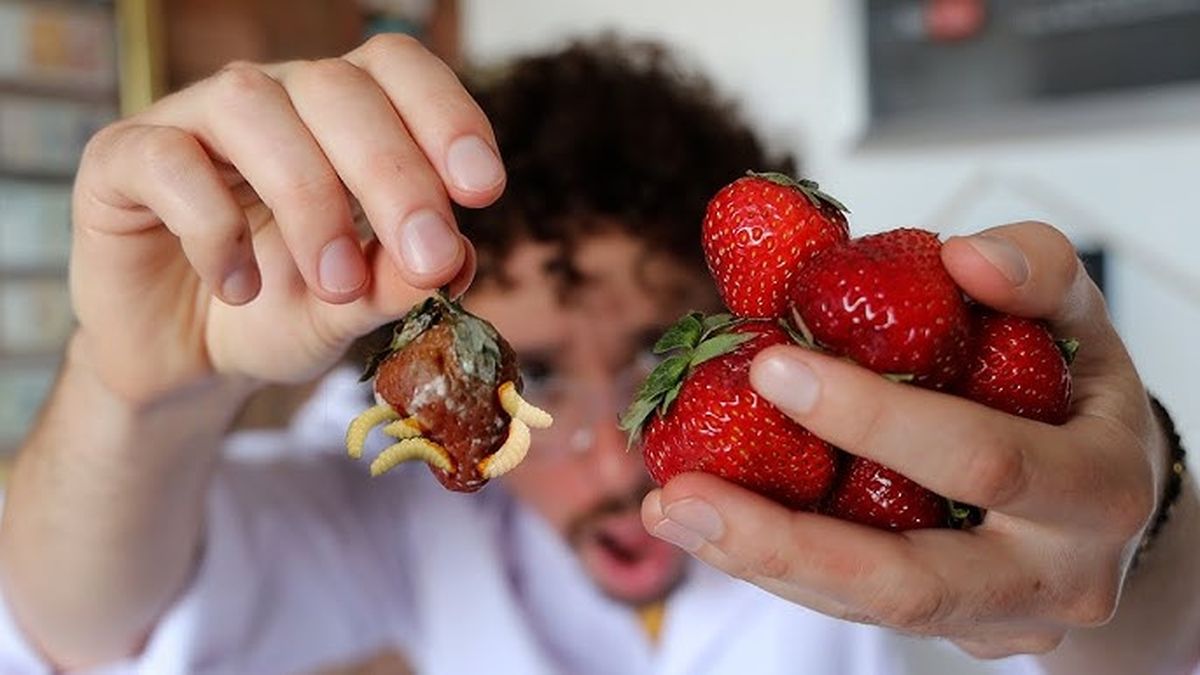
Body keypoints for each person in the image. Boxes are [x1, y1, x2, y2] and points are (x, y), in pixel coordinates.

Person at [0, 35, 1196, 675]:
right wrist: (127, 386)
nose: (609, 451)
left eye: (659, 355)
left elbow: (1123, 639)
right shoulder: (411, 501)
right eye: (529, 374)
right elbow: (82, 626)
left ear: (760, 319)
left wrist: (1148, 525)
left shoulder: (881, 456)